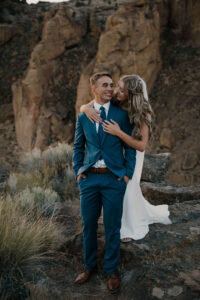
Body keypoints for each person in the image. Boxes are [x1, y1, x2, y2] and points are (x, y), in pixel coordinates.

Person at [80, 74, 171, 242]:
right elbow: (86, 106)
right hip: (114, 149)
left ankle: (129, 225)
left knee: (127, 185)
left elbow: (141, 145)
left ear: (132, 94)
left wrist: (118, 132)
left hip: (132, 150)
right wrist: (85, 108)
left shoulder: (144, 112)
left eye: (122, 90)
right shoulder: (115, 100)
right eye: (118, 87)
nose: (117, 92)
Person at [73, 72, 136, 293]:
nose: (110, 89)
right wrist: (77, 172)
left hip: (113, 179)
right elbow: (77, 146)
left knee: (112, 227)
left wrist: (126, 174)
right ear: (94, 89)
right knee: (88, 225)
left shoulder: (122, 115)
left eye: (111, 85)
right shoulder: (84, 116)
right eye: (105, 85)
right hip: (89, 179)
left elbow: (130, 148)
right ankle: (89, 267)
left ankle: (111, 270)